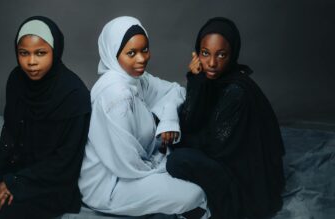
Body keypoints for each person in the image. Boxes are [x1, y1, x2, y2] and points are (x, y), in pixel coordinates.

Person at [0, 16, 91, 219]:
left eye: (40, 53)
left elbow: (64, 162)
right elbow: (10, 139)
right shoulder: (16, 80)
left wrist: (16, 184)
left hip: (51, 182)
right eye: (24, 53)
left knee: (4, 210)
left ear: (55, 52)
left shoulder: (74, 95)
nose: (31, 62)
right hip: (15, 166)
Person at [79, 16, 209, 218]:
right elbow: (125, 163)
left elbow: (175, 91)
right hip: (111, 185)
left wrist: (168, 119)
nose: (141, 59)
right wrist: (164, 168)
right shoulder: (115, 95)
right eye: (131, 53)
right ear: (113, 53)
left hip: (140, 166)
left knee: (193, 169)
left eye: (144, 50)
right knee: (195, 192)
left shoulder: (136, 78)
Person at [166, 17, 285, 219]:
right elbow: (191, 120)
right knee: (173, 136)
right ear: (197, 53)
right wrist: (196, 80)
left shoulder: (235, 90)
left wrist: (180, 139)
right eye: (205, 54)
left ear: (232, 55)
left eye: (221, 55)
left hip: (242, 181)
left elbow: (213, 146)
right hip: (223, 157)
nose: (212, 63)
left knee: (177, 160)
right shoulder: (210, 81)